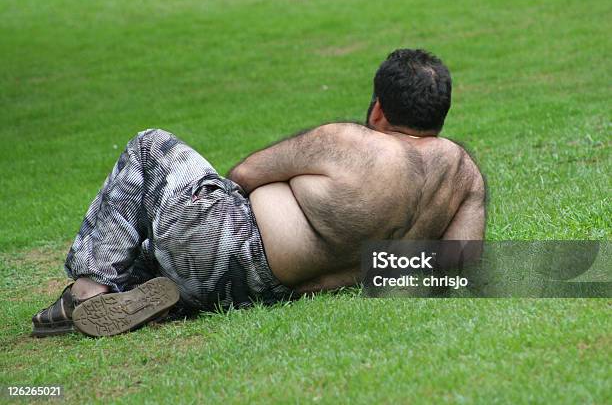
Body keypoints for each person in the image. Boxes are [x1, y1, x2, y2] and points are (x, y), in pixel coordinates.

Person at [32, 48, 485, 337]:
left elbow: (244, 173)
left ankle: (88, 291)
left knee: (151, 147)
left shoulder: (351, 142)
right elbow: (457, 269)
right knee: (171, 243)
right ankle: (138, 292)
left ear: (380, 108)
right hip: (266, 290)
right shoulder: (465, 175)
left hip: (227, 245)